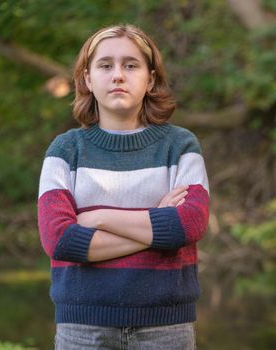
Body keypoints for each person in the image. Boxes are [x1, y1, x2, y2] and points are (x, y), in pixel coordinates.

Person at [37, 24, 209, 350]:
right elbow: (59, 240)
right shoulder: (64, 151)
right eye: (105, 65)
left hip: (167, 327)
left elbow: (188, 224)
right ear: (88, 79)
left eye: (130, 65)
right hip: (83, 328)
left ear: (151, 79)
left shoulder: (181, 146)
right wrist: (157, 220)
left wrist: (98, 217)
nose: (118, 75)